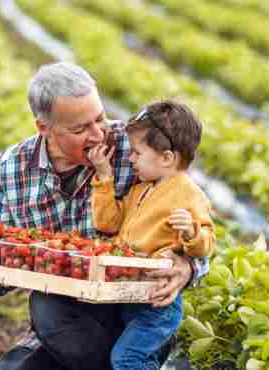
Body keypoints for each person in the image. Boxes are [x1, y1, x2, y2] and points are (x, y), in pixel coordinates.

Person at [0, 62, 210, 370]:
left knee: (54, 311)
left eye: (99, 118)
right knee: (42, 313)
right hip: (65, 326)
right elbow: (11, 256)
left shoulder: (136, 151)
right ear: (44, 128)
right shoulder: (10, 170)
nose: (99, 134)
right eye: (80, 128)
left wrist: (188, 268)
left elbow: (194, 222)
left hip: (133, 313)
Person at [88, 99, 216, 370]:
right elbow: (108, 223)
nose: (130, 158)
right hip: (131, 294)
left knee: (127, 359)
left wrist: (192, 232)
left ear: (167, 158)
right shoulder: (142, 188)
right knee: (136, 359)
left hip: (157, 305)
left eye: (136, 153)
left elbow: (207, 244)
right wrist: (104, 175)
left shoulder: (189, 194)